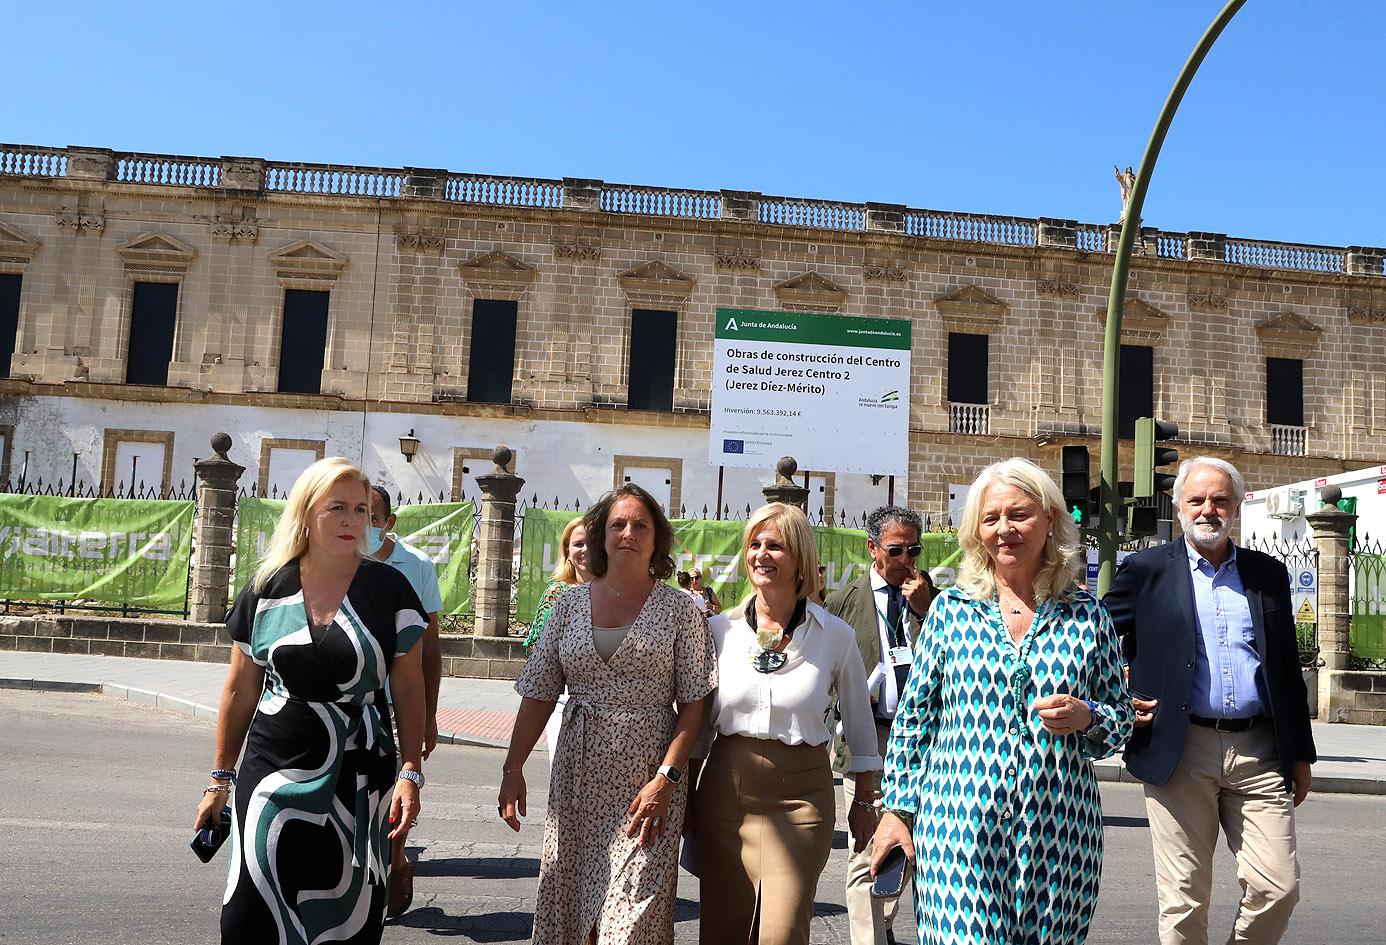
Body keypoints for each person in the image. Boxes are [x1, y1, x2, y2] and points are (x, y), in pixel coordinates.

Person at [871, 458, 1133, 945]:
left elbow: (1119, 719)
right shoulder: (951, 611)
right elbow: (915, 721)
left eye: (1019, 515)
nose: (1004, 529)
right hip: (959, 829)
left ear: (1050, 519)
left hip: (1061, 835)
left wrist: (1087, 716)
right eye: (991, 519)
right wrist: (895, 811)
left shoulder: (1087, 615)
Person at [194, 457, 428, 945]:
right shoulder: (266, 589)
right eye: (337, 508)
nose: (351, 521)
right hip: (272, 773)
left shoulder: (391, 589)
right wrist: (219, 779)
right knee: (250, 916)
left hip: (362, 779)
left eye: (361, 510)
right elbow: (239, 689)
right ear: (306, 512)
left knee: (347, 918)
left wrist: (410, 773)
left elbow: (408, 687)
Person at [1104, 457, 1316, 945]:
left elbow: (1284, 668)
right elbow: (1093, 638)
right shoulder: (1147, 570)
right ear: (1177, 506)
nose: (1207, 510)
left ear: (1237, 507)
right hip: (1179, 749)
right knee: (1183, 902)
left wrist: (1301, 752)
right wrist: (1116, 697)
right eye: (1196, 500)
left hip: (1259, 752)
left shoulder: (1268, 574)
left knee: (1279, 888)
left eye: (1219, 500)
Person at [498, 483, 717, 944]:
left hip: (649, 785)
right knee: (577, 910)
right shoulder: (566, 605)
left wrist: (669, 779)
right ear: (601, 536)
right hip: (577, 779)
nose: (628, 533)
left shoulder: (680, 610)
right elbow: (538, 692)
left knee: (632, 919)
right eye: (618, 524)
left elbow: (695, 703)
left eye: (641, 525)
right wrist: (513, 767)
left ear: (657, 539)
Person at [689, 503, 881, 945]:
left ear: (798, 557)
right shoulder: (720, 630)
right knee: (722, 931)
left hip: (802, 801)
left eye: (774, 545)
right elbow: (700, 727)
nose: (761, 554)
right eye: (754, 545)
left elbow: (859, 722)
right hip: (724, 795)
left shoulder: (835, 635)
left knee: (784, 932)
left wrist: (865, 798)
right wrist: (684, 794)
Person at [824, 505, 935, 945]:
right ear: (872, 549)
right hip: (868, 737)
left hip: (924, 744)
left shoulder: (934, 600)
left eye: (914, 549)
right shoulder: (843, 603)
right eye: (896, 550)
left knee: (909, 848)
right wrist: (837, 721)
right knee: (866, 848)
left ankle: (878, 925)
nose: (907, 559)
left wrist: (926, 610)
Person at [366, 484, 444, 920]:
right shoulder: (336, 560)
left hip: (402, 696)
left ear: (388, 522)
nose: (363, 525)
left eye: (371, 515)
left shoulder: (415, 566)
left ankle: (396, 858)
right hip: (353, 698)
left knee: (400, 786)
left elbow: (430, 648)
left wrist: (429, 713)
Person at [523, 516, 595, 768]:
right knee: (563, 774)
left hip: (608, 705)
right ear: (567, 551)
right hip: (565, 700)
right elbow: (539, 654)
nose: (585, 550)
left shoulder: (616, 593)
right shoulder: (557, 593)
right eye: (578, 544)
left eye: (592, 543)